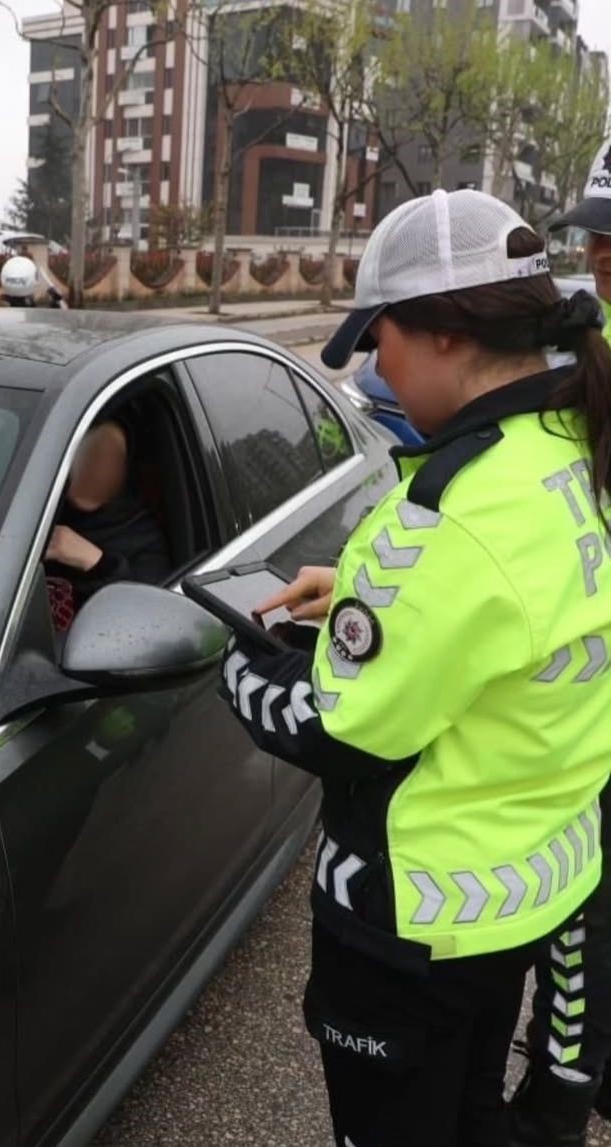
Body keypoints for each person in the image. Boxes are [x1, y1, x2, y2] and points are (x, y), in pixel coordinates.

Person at [217, 189, 611, 1147]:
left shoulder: (450, 515)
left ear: (440, 335)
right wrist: (355, 583)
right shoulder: (567, 447)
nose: (374, 366)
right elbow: (491, 630)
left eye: (378, 337)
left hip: (410, 933)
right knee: (470, 1116)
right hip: (516, 901)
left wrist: (236, 651)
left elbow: (337, 723)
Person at [502, 129, 611, 1147]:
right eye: (598, 237)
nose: (605, 255)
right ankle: (564, 1081)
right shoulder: (581, 345)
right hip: (586, 688)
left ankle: (569, 1083)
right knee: (581, 904)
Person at [44, 419, 170, 627]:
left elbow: (149, 620)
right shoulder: (32, 512)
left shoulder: (145, 537)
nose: (98, 469)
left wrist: (95, 562)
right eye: (90, 454)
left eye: (112, 458)